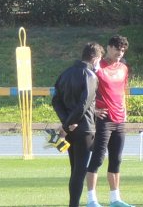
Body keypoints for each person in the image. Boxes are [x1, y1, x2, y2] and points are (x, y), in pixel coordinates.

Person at [85, 35, 134, 207]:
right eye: (117, 49)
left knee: (116, 159)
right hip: (104, 119)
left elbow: (122, 91)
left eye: (123, 50)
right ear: (109, 48)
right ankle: (91, 199)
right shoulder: (97, 67)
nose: (120, 53)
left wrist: (124, 111)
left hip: (120, 120)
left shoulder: (123, 68)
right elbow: (86, 91)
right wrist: (93, 110)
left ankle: (115, 199)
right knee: (98, 159)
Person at [53, 42, 102, 207]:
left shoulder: (65, 74)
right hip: (85, 128)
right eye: (99, 60)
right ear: (94, 58)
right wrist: (68, 124)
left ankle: (73, 203)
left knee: (74, 170)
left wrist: (66, 123)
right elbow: (84, 104)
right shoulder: (90, 75)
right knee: (80, 171)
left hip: (70, 129)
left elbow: (56, 101)